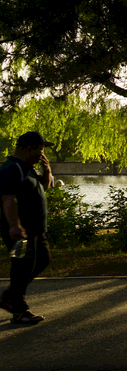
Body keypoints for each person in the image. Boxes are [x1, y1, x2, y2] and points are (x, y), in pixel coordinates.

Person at [0, 131, 54, 324]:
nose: (42, 153)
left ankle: (8, 297)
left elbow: (44, 188)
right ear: (28, 148)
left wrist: (47, 171)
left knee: (42, 260)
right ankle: (19, 310)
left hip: (37, 229)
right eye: (40, 149)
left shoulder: (27, 167)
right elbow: (8, 199)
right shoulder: (12, 168)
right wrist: (14, 226)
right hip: (20, 230)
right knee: (22, 266)